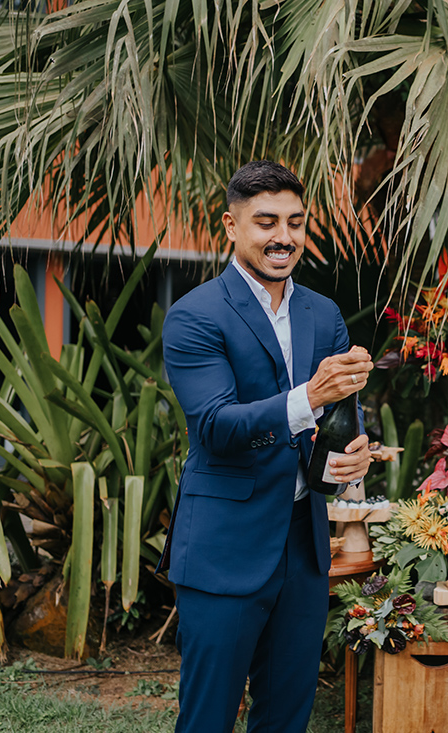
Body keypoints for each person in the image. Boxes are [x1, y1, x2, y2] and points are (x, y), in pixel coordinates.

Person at [158, 161, 373, 733]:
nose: (284, 237)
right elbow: (215, 426)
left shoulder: (323, 313)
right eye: (267, 222)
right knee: (207, 718)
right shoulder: (195, 315)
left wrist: (346, 462)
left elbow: (328, 433)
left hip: (302, 548)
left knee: (286, 716)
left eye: (296, 223)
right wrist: (308, 396)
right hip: (224, 548)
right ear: (231, 225)